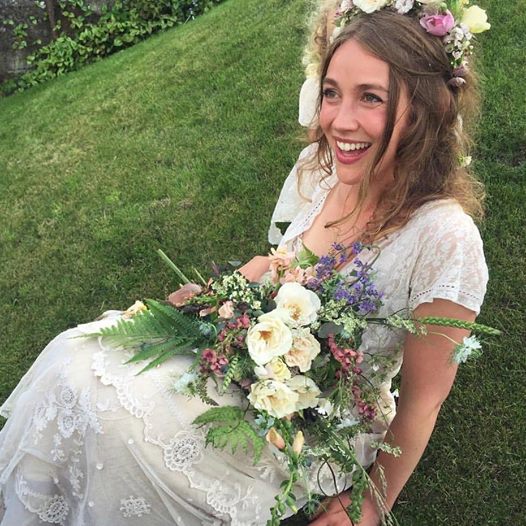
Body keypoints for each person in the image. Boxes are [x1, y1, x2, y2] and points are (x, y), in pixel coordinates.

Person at [0, 3, 490, 525]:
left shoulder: (444, 238)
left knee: (117, 420)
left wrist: (368, 506)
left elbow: (422, 403)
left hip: (312, 427)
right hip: (246, 366)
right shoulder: (324, 173)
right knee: (75, 362)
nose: (339, 121)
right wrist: (219, 299)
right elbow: (282, 270)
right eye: (331, 93)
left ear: (425, 108)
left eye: (370, 97)